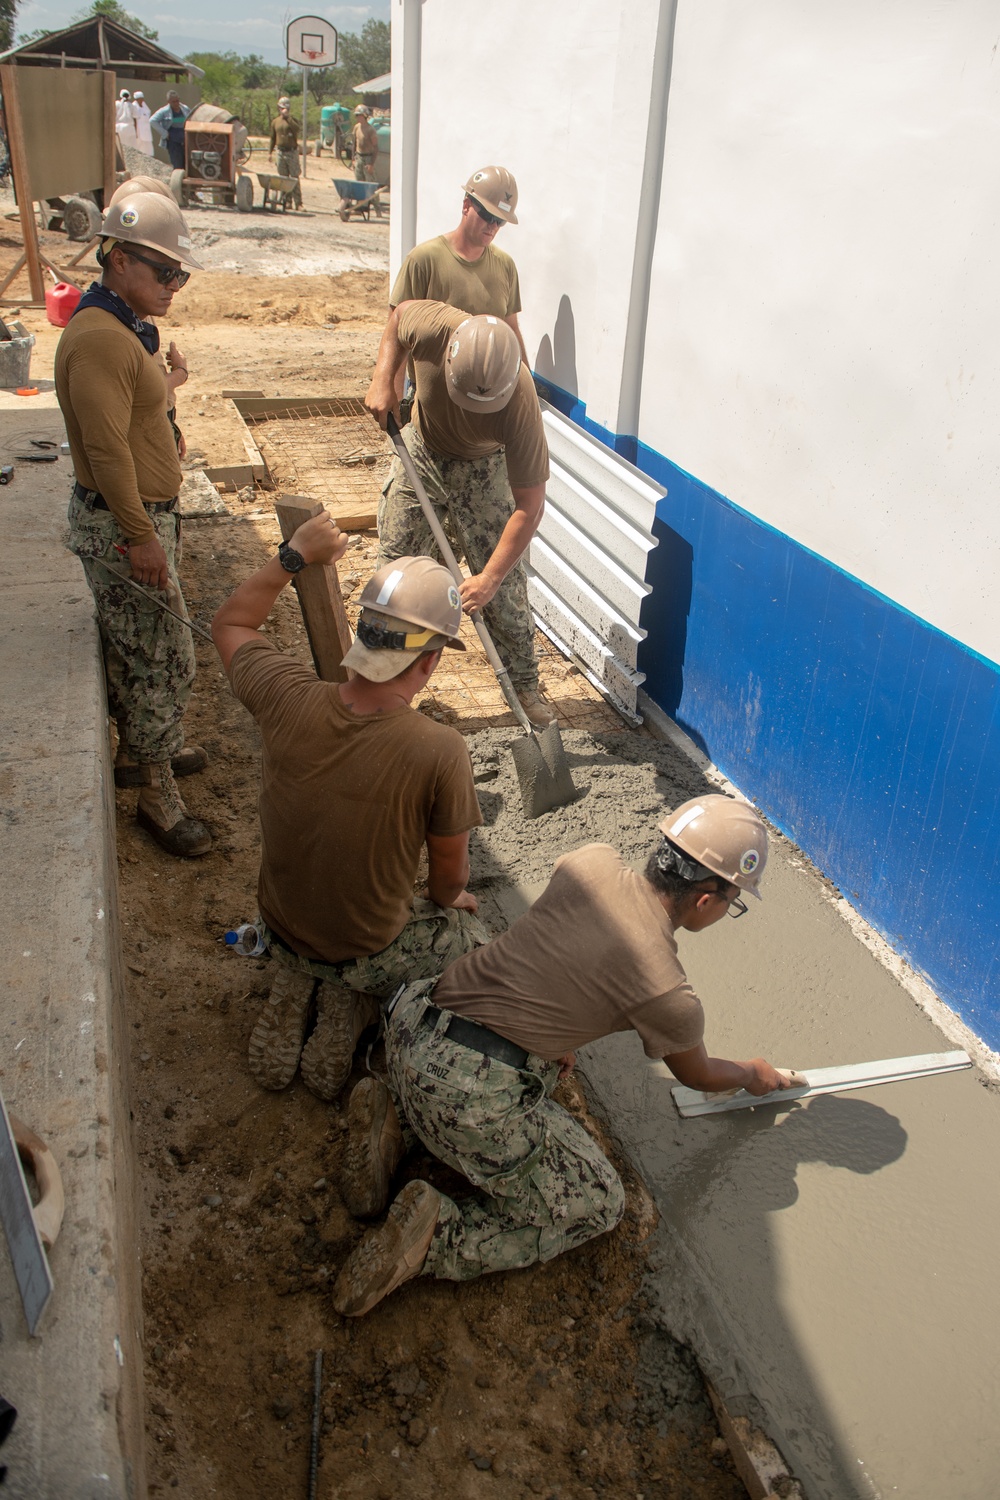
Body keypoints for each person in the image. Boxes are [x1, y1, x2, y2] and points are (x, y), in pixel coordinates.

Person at [332, 794, 795, 1316]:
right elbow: (701, 1075)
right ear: (706, 899)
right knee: (598, 1203)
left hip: (412, 1025)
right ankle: (436, 1236)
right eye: (733, 901)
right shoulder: (668, 992)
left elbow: (565, 947)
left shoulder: (590, 860)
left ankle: (397, 1121)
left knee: (546, 1067)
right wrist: (752, 1073)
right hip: (463, 1092)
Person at [211, 540, 489, 1101]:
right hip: (365, 942)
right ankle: (354, 994)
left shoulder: (286, 696)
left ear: (364, 635)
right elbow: (446, 883)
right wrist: (454, 899)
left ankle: (298, 974)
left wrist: (294, 556)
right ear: (431, 659)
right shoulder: (440, 750)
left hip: (282, 921)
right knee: (471, 938)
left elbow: (231, 622)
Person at [55, 193, 211, 857]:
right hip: (126, 525)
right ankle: (157, 795)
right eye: (163, 273)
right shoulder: (96, 340)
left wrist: (167, 384)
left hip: (142, 518)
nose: (174, 287)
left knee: (143, 648)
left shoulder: (121, 328)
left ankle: (144, 754)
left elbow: (135, 411)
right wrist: (140, 536)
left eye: (180, 275)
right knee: (161, 657)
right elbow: (106, 449)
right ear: (119, 262)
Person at [366, 302, 557, 728]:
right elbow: (397, 320)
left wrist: (488, 578)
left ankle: (523, 689)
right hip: (422, 449)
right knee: (395, 570)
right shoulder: (433, 326)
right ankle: (378, 682)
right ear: (449, 356)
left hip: (484, 469)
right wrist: (385, 377)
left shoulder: (522, 404)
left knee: (503, 586)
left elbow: (530, 505)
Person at [390, 166, 525, 363]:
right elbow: (396, 333)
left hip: (487, 391)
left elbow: (511, 329)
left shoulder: (505, 266)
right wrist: (390, 391)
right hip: (433, 391)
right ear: (466, 206)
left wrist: (525, 385)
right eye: (488, 216)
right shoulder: (423, 260)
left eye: (500, 221)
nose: (493, 226)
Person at [269, 97, 302, 209]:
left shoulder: (293, 120)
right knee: (283, 178)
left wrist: (288, 118)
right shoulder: (275, 122)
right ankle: (286, 201)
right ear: (279, 108)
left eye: (287, 108)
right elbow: (272, 138)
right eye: (282, 108)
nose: (285, 110)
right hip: (280, 152)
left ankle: (299, 203)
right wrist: (270, 153)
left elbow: (297, 129)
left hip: (291, 152)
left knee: (294, 177)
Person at [150, 92, 191, 171]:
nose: (176, 103)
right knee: (177, 164)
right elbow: (152, 120)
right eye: (174, 102)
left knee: (187, 163)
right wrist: (164, 133)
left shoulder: (185, 108)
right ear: (169, 102)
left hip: (185, 138)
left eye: (177, 101)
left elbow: (191, 118)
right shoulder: (164, 111)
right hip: (173, 140)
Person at [351, 105, 379, 182]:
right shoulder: (356, 127)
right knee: (359, 182)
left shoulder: (371, 130)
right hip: (359, 158)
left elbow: (376, 148)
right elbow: (354, 143)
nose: (357, 117)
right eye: (356, 115)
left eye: (358, 115)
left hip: (368, 158)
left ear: (364, 115)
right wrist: (353, 159)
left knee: (370, 183)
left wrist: (371, 164)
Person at [115, 89, 137, 155]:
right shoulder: (132, 105)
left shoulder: (116, 103)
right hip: (129, 127)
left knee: (120, 146)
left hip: (118, 127)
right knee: (131, 147)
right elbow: (135, 117)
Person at [132, 91, 154, 156]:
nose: (142, 100)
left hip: (146, 131)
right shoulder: (134, 106)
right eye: (140, 99)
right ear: (137, 99)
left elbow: (148, 113)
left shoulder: (144, 106)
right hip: (139, 131)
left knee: (148, 148)